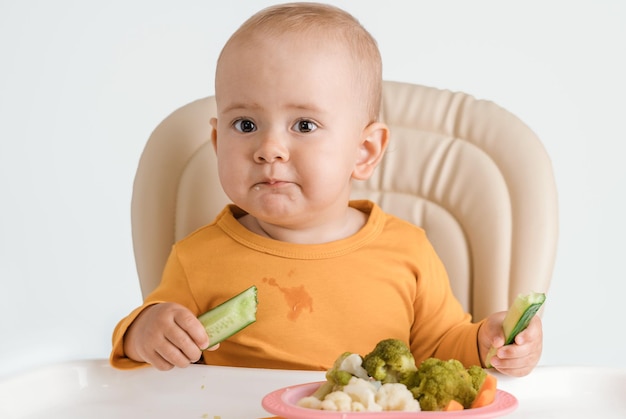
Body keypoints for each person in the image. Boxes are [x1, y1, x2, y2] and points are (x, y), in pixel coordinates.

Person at [110, 2, 542, 377]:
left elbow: (444, 347)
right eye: (245, 125)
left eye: (304, 125)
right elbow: (151, 357)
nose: (269, 149)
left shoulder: (408, 252)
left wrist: (487, 342)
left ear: (364, 151)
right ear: (219, 142)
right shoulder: (195, 259)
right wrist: (145, 332)